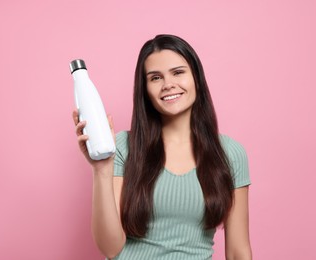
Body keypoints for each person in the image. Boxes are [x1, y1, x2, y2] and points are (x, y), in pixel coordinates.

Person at [72, 34, 252, 260]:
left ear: (196, 77)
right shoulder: (122, 147)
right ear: (145, 89)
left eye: (178, 72)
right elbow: (110, 248)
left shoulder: (230, 154)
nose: (168, 85)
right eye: (155, 78)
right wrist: (101, 170)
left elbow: (238, 252)